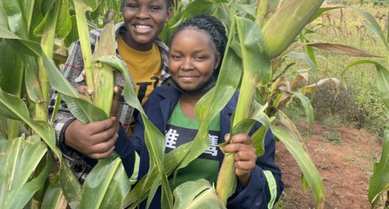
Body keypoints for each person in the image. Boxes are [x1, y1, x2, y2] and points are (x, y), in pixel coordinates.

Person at [114, 14, 284, 208]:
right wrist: (112, 124)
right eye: (177, 57)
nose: (186, 65)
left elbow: (272, 189)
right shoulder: (157, 101)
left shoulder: (243, 111)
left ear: (217, 61)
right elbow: (137, 168)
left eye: (199, 57)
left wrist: (248, 175)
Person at [49, 0, 184, 183]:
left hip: (137, 178)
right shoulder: (92, 45)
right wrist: (71, 133)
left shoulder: (172, 65)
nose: (142, 14)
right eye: (133, 5)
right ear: (122, 9)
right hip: (84, 175)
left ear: (168, 14)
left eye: (154, 7)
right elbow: (53, 111)